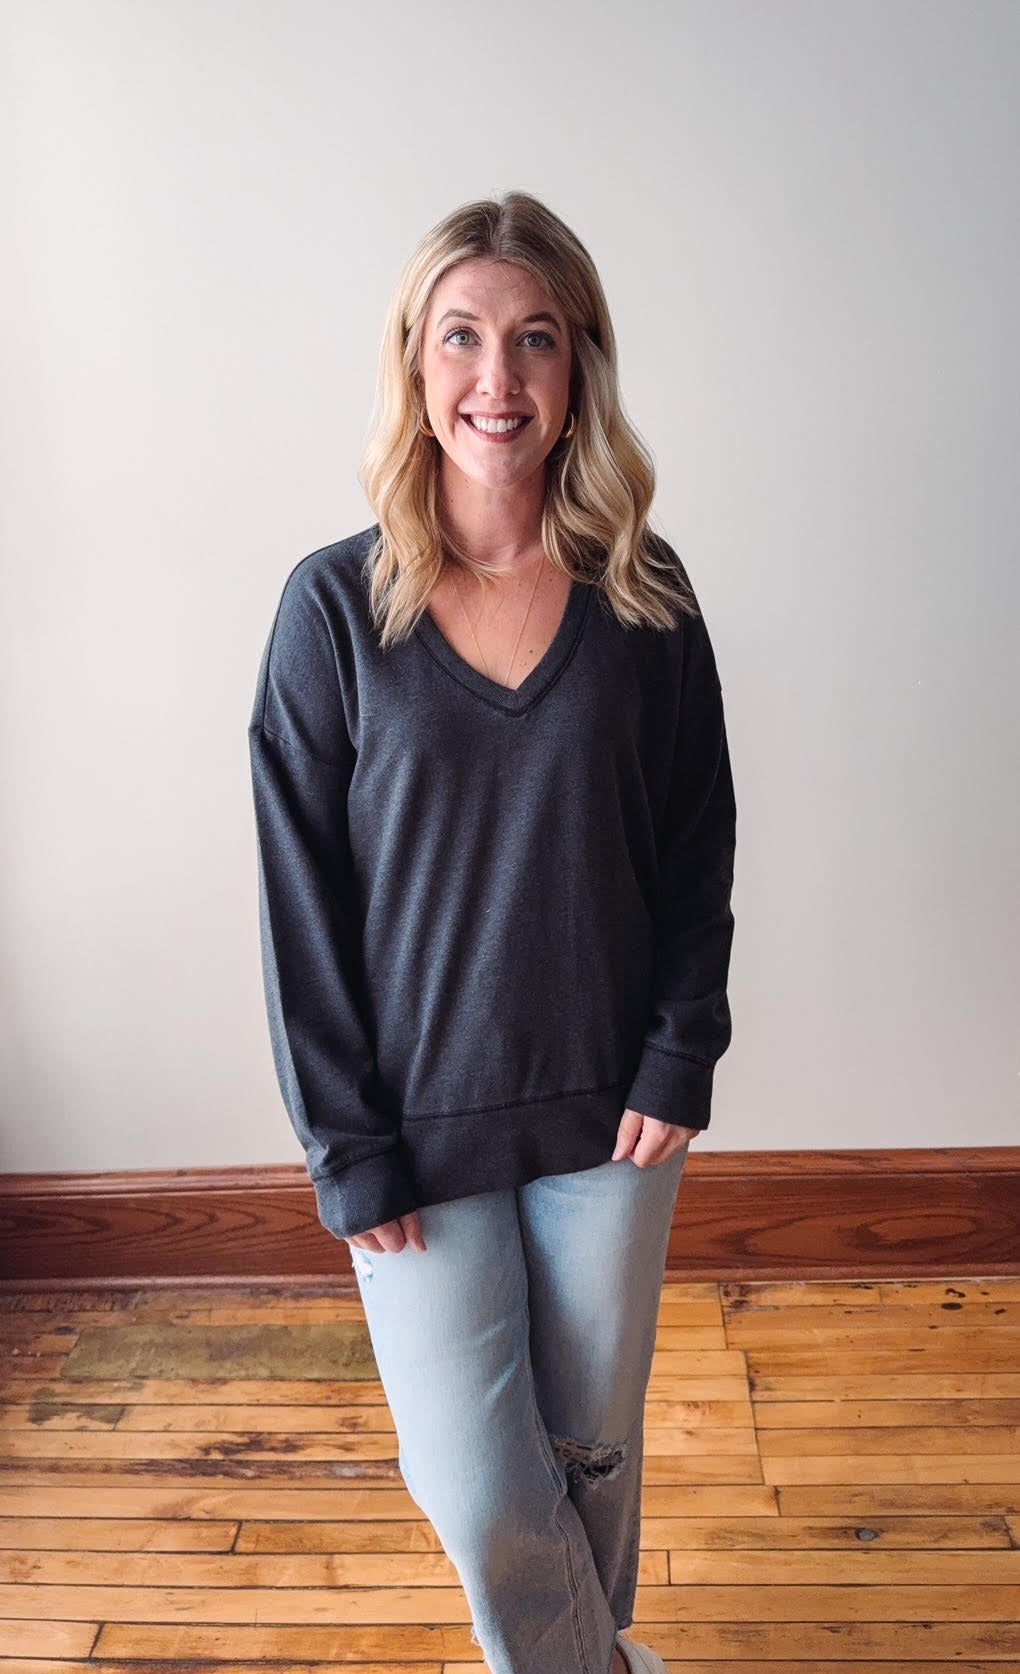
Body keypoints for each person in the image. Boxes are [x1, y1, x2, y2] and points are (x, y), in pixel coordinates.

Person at [248, 191, 735, 1674]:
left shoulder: (645, 597)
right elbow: (299, 898)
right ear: (415, 362)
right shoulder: (333, 609)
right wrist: (348, 1143)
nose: (497, 379)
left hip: (612, 1115)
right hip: (416, 1135)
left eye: (535, 339)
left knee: (585, 1449)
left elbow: (697, 840)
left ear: (580, 364)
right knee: (476, 1481)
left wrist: (680, 1050)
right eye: (461, 336)